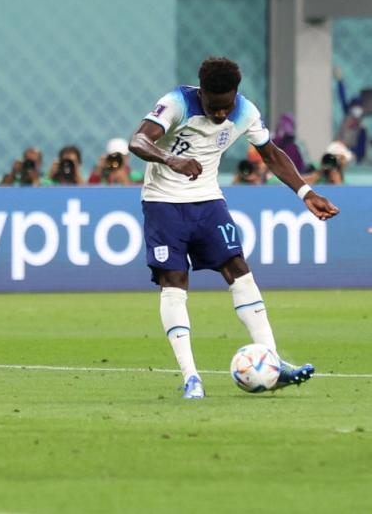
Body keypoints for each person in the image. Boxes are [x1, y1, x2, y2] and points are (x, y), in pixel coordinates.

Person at [129, 57, 340, 400]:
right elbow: (137, 141)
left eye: (227, 106)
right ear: (203, 93)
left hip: (209, 201)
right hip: (163, 203)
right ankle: (191, 378)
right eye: (214, 106)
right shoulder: (176, 103)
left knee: (240, 271)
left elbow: (271, 155)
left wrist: (306, 192)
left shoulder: (245, 112)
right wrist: (171, 159)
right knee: (174, 283)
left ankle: (273, 362)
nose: (222, 114)